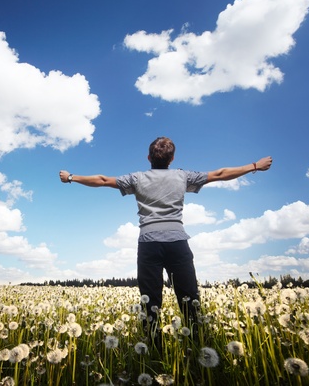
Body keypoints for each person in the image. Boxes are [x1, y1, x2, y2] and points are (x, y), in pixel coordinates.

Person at [59, 137, 272, 335]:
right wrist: (255, 166)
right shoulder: (183, 176)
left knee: (150, 301)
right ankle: (197, 347)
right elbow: (220, 174)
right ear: (172, 159)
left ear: (149, 158)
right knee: (189, 298)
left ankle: (153, 350)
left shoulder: (137, 178)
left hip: (148, 244)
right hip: (178, 243)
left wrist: (71, 177)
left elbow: (103, 180)